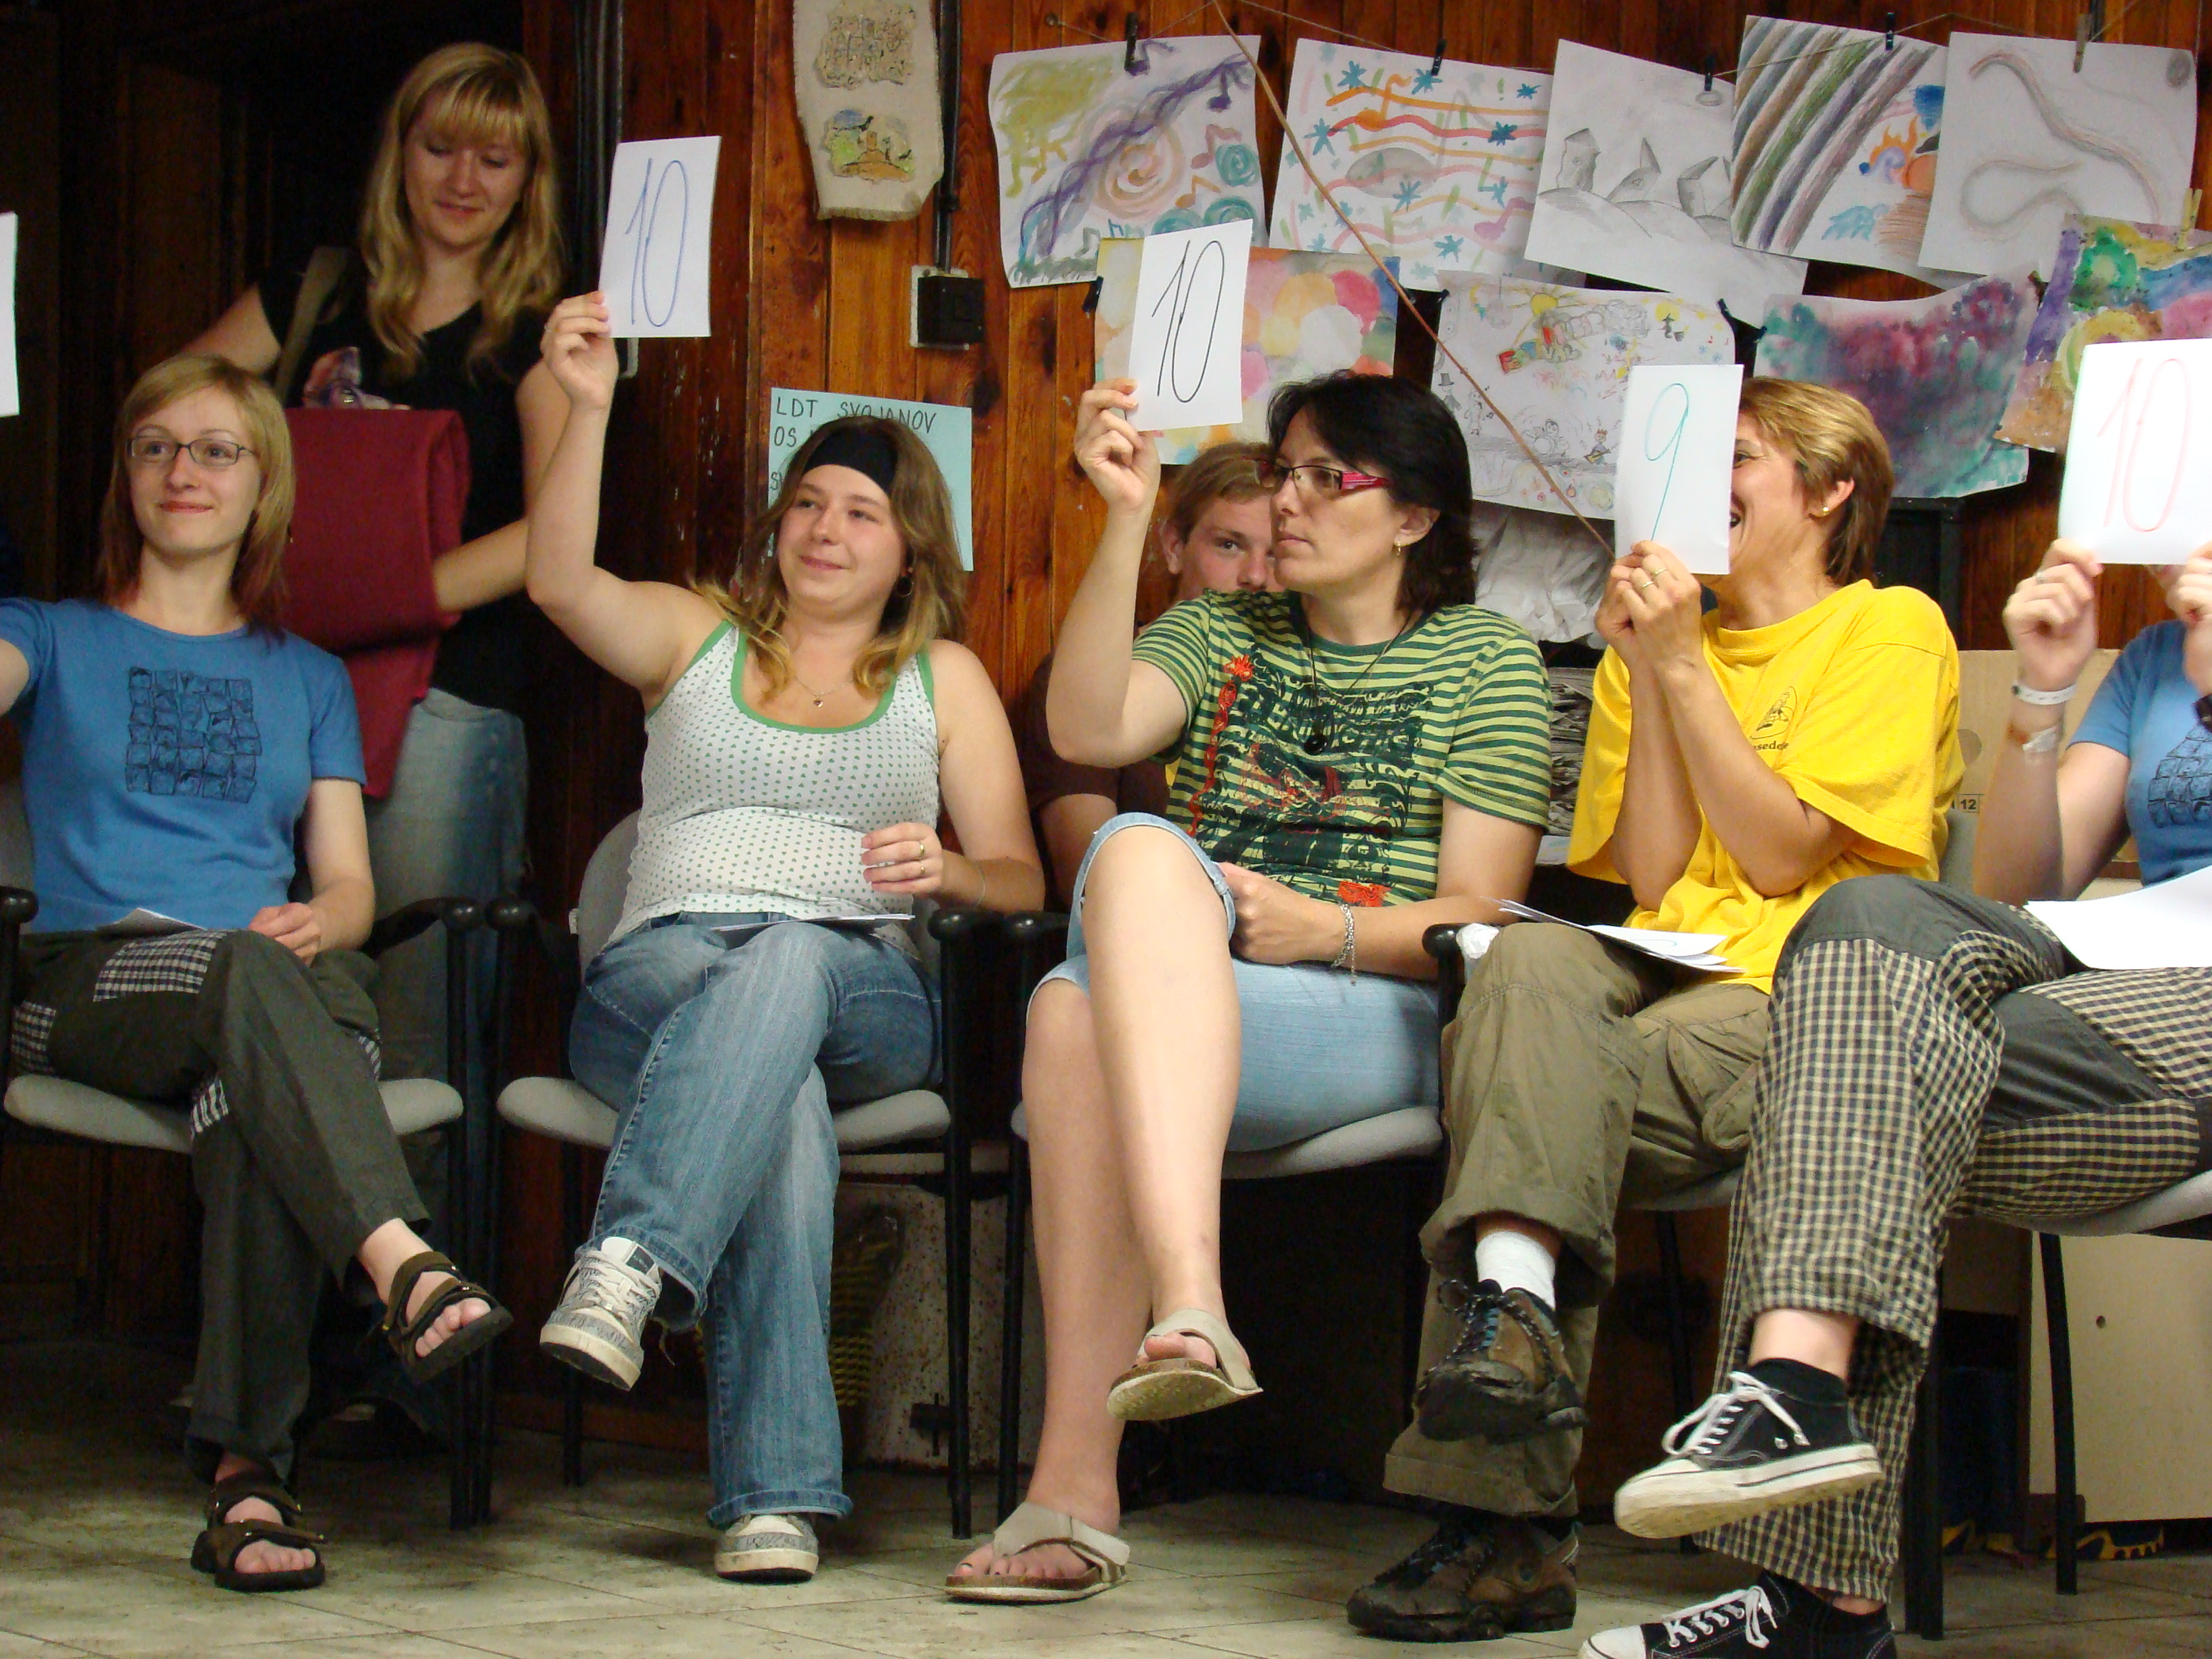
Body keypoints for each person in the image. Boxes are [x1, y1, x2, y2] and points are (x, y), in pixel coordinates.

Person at [1348, 379, 1962, 1645]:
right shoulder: (1658, 642)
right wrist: (1652, 663)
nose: (1700, 485)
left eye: (1737, 457)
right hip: (1666, 970)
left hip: (1814, 1002)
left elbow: (1780, 858)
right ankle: (1514, 1313)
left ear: (1829, 488)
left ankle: (1502, 1530)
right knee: (1522, 957)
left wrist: (1679, 664)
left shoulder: (1889, 626)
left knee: (1520, 1108)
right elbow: (1652, 870)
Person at [949, 372, 1555, 1603]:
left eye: (1328, 477)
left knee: (1085, 975)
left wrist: (1327, 928)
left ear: (1412, 517)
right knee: (1081, 976)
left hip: (1370, 1007)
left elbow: (1481, 915)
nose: (1288, 501)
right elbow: (1088, 727)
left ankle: (1080, 1478)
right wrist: (1125, 517)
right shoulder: (1224, 629)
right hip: (1187, 996)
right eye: (1284, 472)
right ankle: (1185, 1319)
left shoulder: (1483, 658)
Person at [1586, 537, 2212, 1659]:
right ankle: (1796, 1395)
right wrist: (2041, 696)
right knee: (1868, 927)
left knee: (1849, 1069)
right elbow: (2018, 894)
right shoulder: (2158, 657)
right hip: (2117, 982)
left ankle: (1816, 1601)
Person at [523, 293, 1043, 1582]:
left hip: (865, 987)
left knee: (796, 954)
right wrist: (586, 407)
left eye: (861, 511)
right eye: (808, 502)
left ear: (909, 550)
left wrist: (951, 869)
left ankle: (631, 1255)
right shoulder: (694, 634)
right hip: (655, 975)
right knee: (780, 1099)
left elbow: (1019, 873)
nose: (825, 528)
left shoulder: (942, 678)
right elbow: (557, 582)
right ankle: (772, 1501)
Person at [0, 355, 508, 1591]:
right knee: (251, 981)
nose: (184, 471)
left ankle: (247, 1482)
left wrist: (319, 924)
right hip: (90, 979)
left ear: (263, 485)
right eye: (156, 446)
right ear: (126, 477)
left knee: (250, 1097)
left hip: (277, 990)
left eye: (217, 449)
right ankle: (399, 1260)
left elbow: (347, 889)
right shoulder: (48, 634)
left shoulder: (308, 676)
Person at [186, 41, 567, 1090]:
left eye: (495, 160)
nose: (462, 180)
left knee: (417, 1021)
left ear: (529, 180)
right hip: (278, 682)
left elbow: (555, 534)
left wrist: (380, 597)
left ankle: (419, 1211)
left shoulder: (539, 333)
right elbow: (169, 415)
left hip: (447, 701)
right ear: (399, 153)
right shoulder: (315, 292)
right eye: (440, 148)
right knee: (270, 981)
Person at [1016, 441, 1277, 905]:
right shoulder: (1097, 683)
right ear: (1175, 547)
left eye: (1276, 553)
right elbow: (1090, 880)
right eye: (1229, 545)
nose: (1255, 575)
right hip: (1149, 927)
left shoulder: (1307, 683)